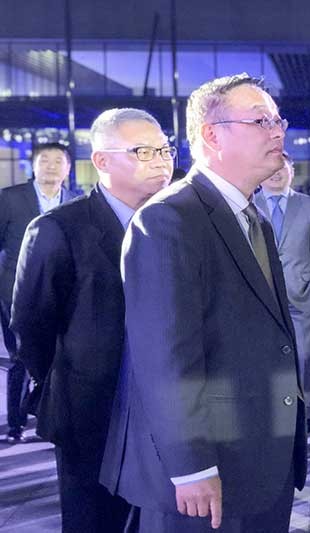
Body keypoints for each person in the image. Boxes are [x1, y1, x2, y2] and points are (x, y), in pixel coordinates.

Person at [100, 74, 306, 532]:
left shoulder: (252, 216)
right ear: (212, 135)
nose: (277, 132)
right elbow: (165, 356)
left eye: (278, 121)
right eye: (261, 121)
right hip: (203, 477)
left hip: (259, 459)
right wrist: (191, 466)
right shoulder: (169, 219)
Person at [12, 109, 171, 532]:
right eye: (143, 151)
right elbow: (31, 326)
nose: (160, 161)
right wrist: (67, 382)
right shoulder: (58, 228)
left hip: (169, 413)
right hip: (91, 413)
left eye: (164, 150)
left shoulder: (176, 225)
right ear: (101, 161)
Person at [0, 142, 79, 443]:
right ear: (33, 166)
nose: (51, 166)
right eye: (44, 160)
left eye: (58, 161)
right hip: (15, 292)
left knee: (59, 355)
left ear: (68, 168)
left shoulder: (75, 201)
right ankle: (16, 424)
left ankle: (50, 416)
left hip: (62, 293)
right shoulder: (11, 198)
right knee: (21, 356)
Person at [255, 152, 310, 433]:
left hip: (302, 297)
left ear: (292, 171)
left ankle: (304, 412)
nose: (276, 173)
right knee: (264, 357)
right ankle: (270, 413)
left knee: (304, 358)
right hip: (260, 298)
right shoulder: (248, 203)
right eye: (271, 168)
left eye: (282, 168)